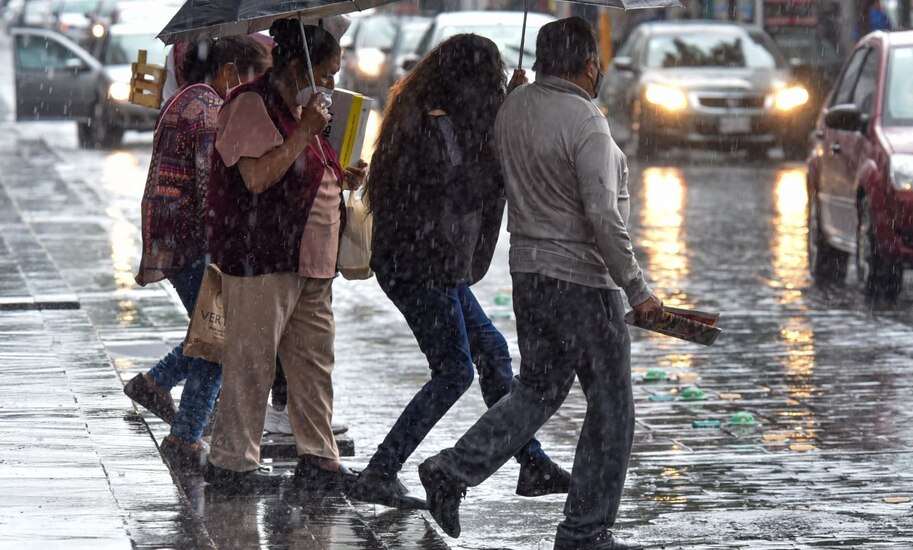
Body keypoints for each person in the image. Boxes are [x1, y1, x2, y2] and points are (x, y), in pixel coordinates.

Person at [417, 17, 663, 550]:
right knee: (612, 405)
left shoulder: (513, 109)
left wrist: (514, 97)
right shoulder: (586, 122)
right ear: (589, 65)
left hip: (530, 276)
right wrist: (637, 290)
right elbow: (603, 214)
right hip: (582, 282)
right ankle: (585, 528)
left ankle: (452, 469)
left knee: (537, 391)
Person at [349, 33, 570, 510]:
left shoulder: (442, 117)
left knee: (491, 351)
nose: (492, 86)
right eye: (489, 77)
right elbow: (463, 187)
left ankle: (531, 463)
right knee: (453, 371)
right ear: (467, 79)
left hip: (432, 264)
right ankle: (381, 471)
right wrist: (502, 124)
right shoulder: (432, 124)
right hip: (417, 266)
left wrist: (507, 109)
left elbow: (469, 173)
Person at [204, 15, 366, 494]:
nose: (333, 82)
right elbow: (257, 178)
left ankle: (319, 458)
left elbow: (305, 167)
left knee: (313, 366)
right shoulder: (252, 105)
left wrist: (339, 175)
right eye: (328, 72)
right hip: (262, 258)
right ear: (300, 66)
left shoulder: (306, 110)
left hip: (312, 263)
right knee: (251, 363)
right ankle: (232, 463)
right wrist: (305, 132)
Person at [128, 35, 271, 469]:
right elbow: (214, 186)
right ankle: (186, 435)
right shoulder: (209, 110)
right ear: (229, 72)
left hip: (175, 237)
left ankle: (157, 383)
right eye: (250, 78)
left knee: (211, 331)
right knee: (220, 339)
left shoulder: (187, 98)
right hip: (193, 242)